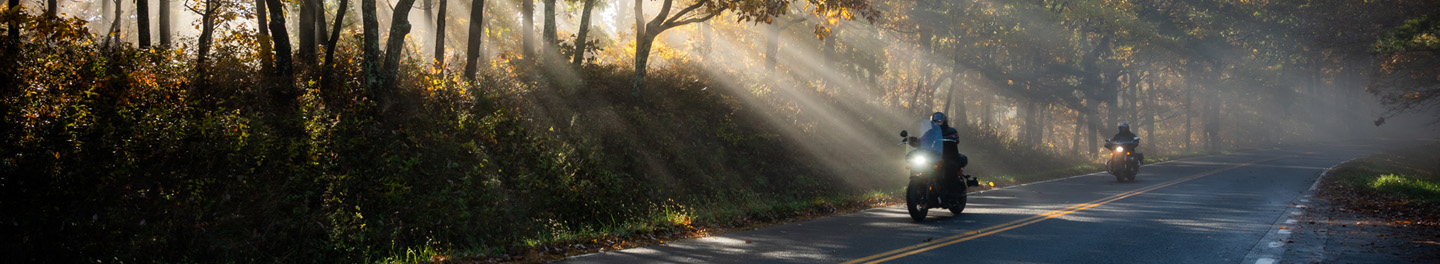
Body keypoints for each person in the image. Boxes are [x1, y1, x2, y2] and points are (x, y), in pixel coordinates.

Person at [921, 112, 967, 192]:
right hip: (934, 156)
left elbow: (956, 138)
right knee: (922, 167)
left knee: (950, 170)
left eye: (939, 121)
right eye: (935, 121)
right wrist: (912, 140)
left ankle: (953, 192)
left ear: (944, 121)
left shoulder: (951, 131)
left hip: (948, 156)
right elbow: (923, 139)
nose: (937, 123)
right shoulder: (930, 132)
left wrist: (951, 138)